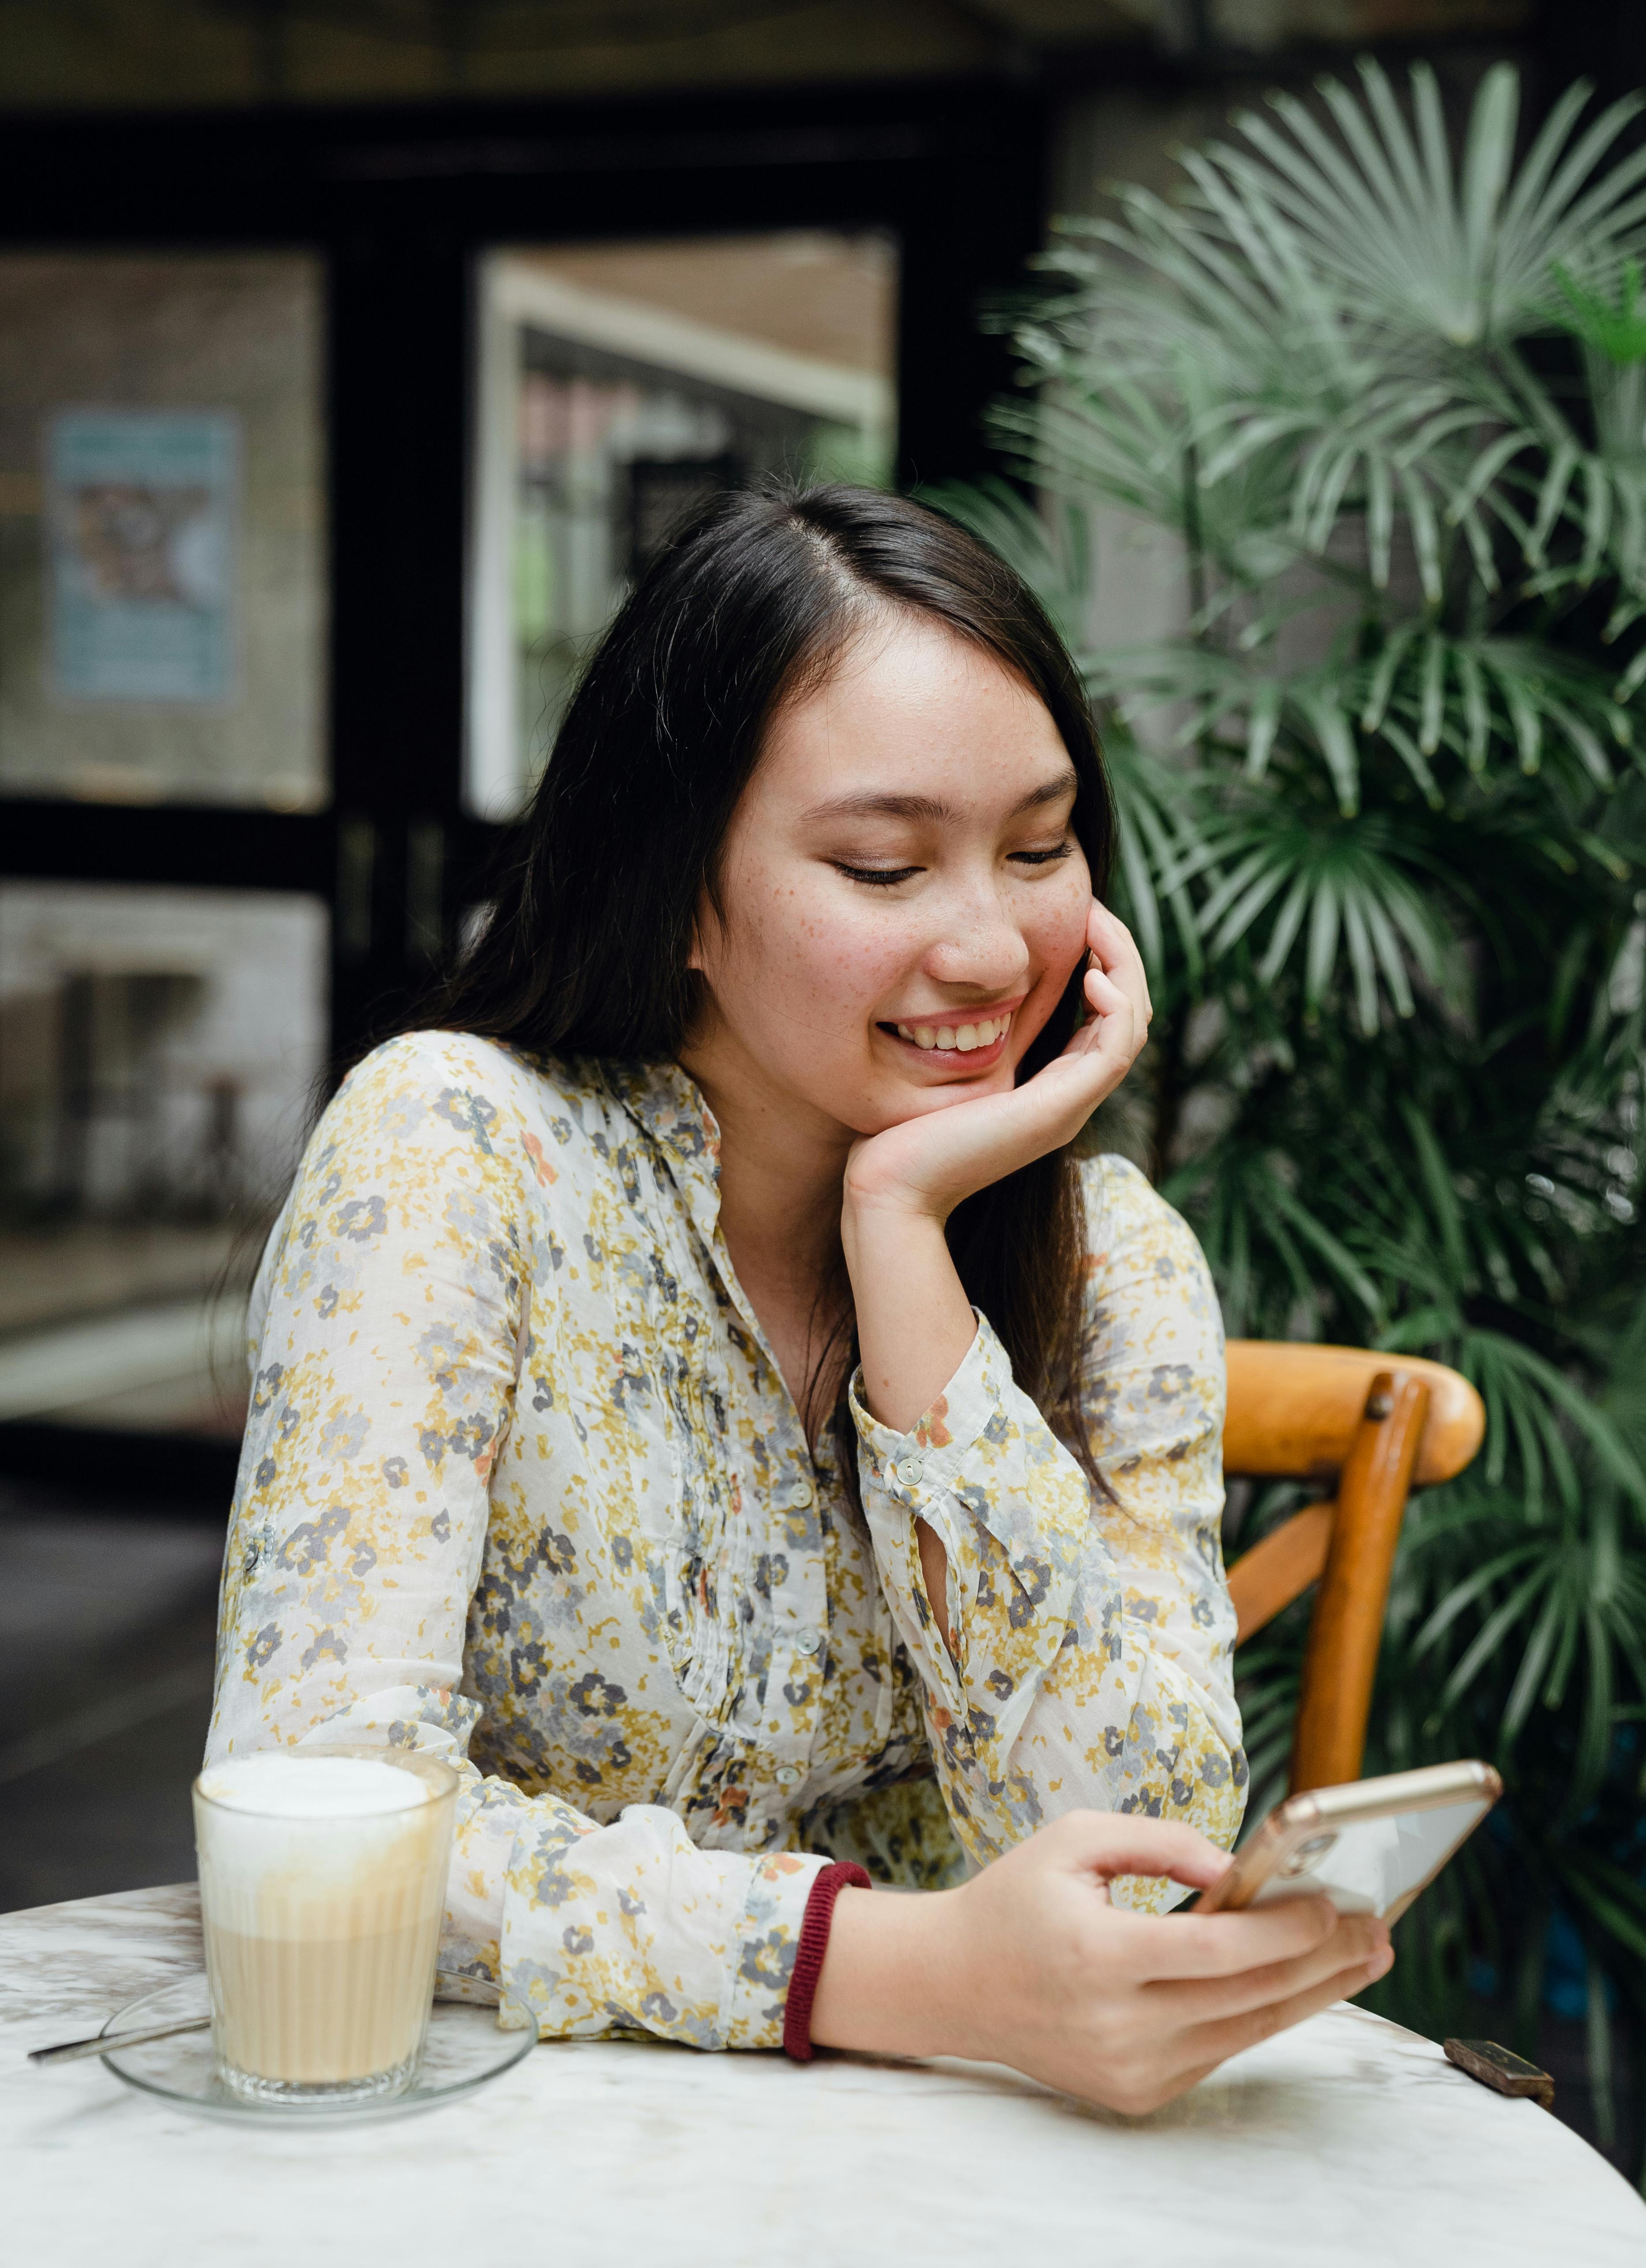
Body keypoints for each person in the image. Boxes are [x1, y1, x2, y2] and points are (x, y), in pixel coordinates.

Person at [207, 484, 1390, 2114]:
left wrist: (905, 1242)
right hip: (500, 2153)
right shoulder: (459, 1151)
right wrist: (885, 1967)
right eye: (884, 865)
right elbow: (317, 1806)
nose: (989, 947)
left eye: (1040, 849)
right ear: (679, 883)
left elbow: (1141, 1861)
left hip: (951, 2173)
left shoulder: (1111, 1259)